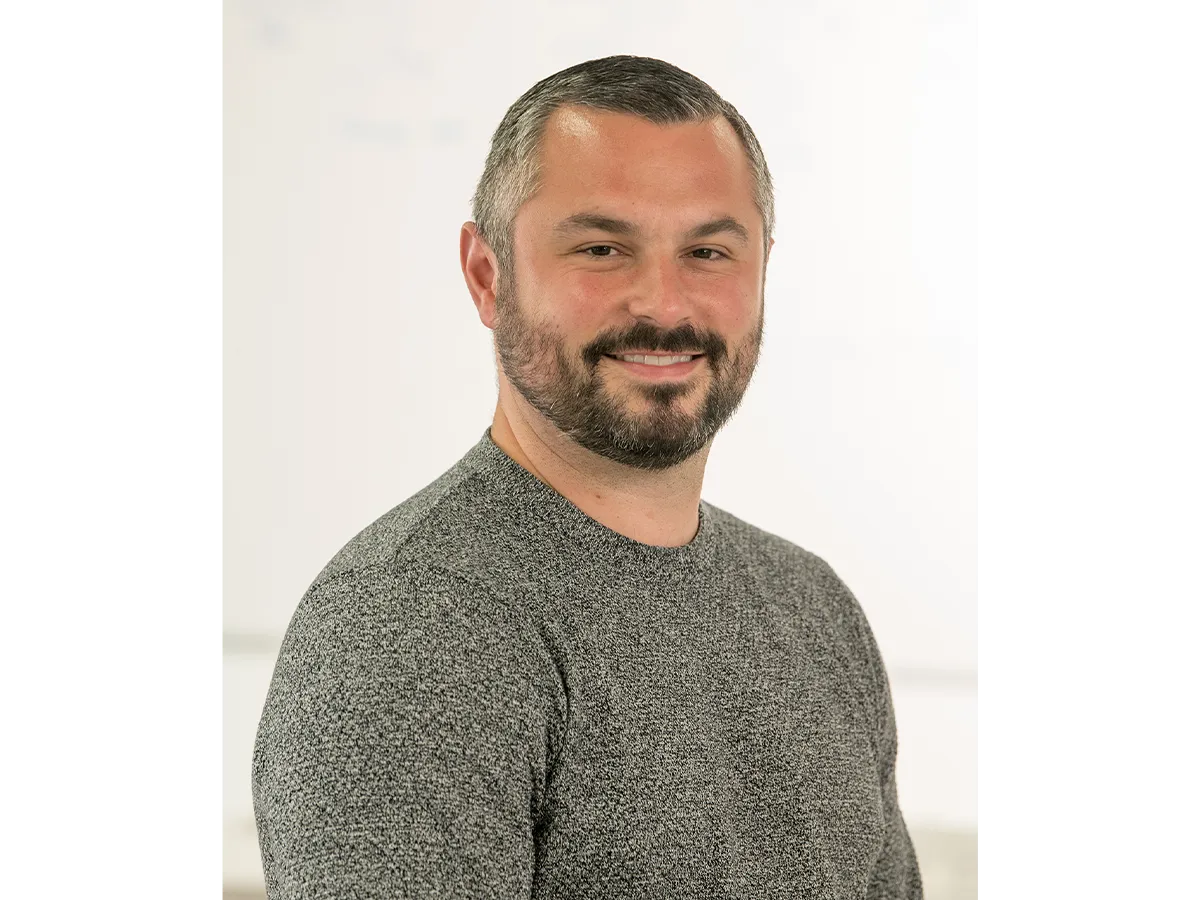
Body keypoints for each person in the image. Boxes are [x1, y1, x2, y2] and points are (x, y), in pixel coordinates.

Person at [252, 55, 922, 899]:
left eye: (709, 251)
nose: (665, 304)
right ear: (487, 275)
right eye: (602, 248)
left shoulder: (813, 608)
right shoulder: (413, 624)